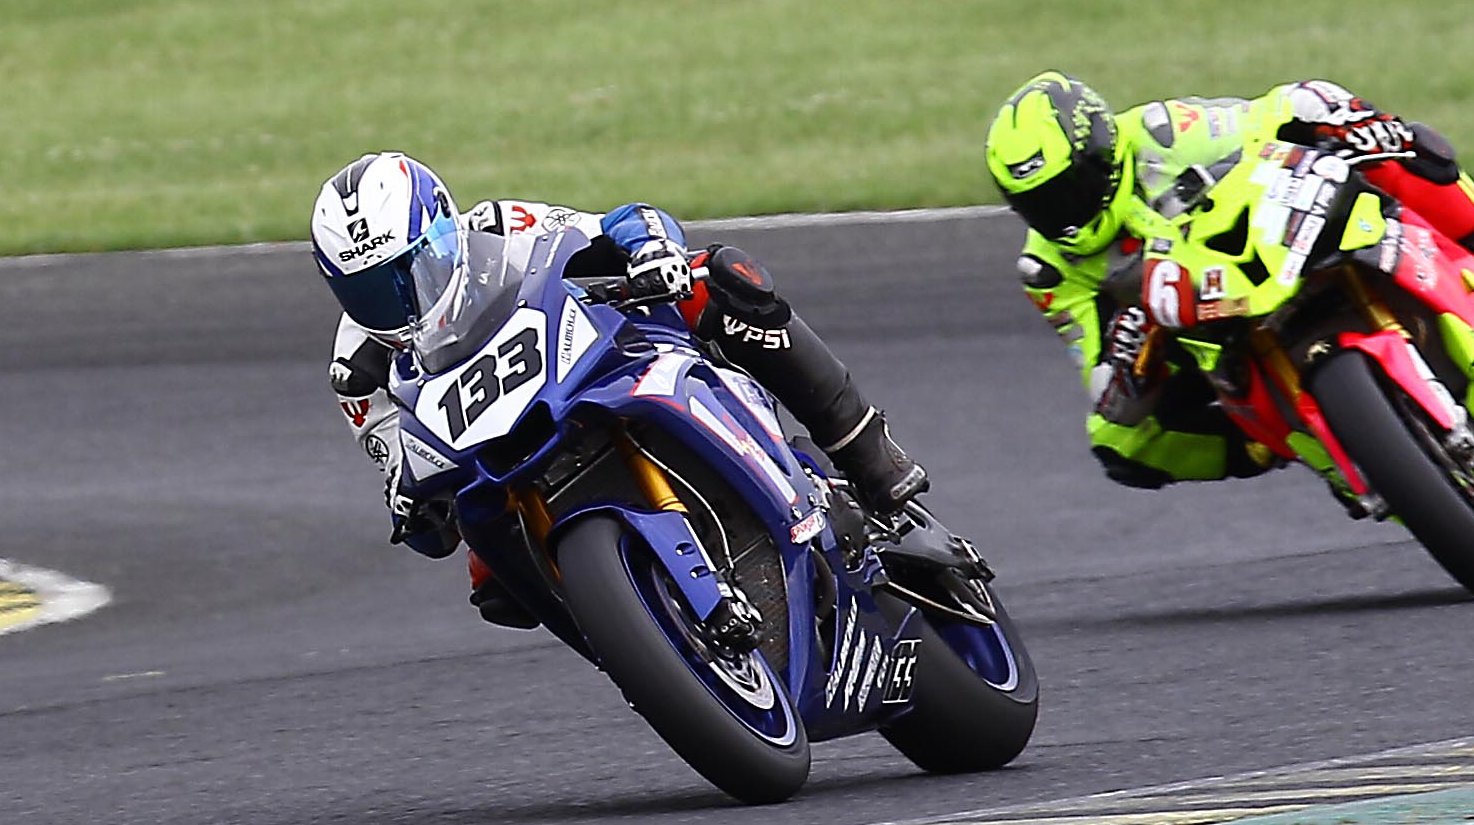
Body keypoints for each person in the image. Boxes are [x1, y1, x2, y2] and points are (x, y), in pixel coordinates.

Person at [306, 149, 990, 618]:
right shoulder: (354, 369)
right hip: (496, 455)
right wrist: (414, 508)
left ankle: (869, 459)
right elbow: (410, 494)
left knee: (718, 279)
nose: (400, 301)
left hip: (576, 368)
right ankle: (640, 635)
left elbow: (615, 225)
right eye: (371, 291)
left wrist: (651, 253)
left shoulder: (496, 226)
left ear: (444, 230)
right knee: (491, 583)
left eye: (410, 271)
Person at [981, 73, 1474, 488]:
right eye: (1038, 204)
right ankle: (1287, 441)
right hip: (1200, 329)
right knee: (1120, 445)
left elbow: (1279, 112)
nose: (1060, 213)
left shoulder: (1160, 132)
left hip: (1274, 244)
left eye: (1067, 188)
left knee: (1408, 149)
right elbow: (1104, 389)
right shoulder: (1048, 269)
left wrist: (1345, 122)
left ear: (1100, 151)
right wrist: (1127, 359)